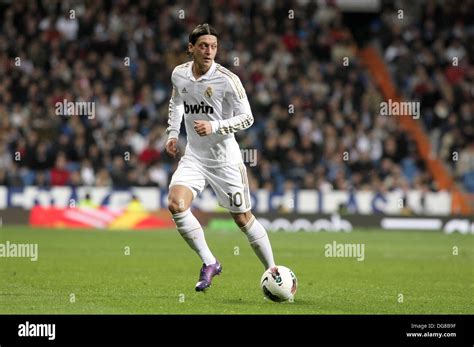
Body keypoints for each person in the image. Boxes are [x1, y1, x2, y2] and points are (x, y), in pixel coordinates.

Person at [166, 23, 276, 292]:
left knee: (242, 220)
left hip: (225, 160)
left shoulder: (228, 79)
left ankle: (273, 271)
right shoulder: (179, 74)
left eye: (213, 46)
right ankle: (210, 261)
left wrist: (214, 126)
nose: (209, 51)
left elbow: (248, 118)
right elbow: (176, 102)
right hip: (194, 156)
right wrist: (172, 133)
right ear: (191, 48)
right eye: (203, 46)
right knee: (176, 204)